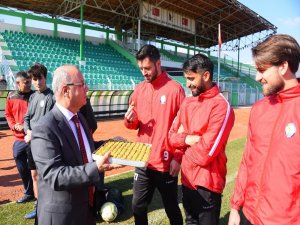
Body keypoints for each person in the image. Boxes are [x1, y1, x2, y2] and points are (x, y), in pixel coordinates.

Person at [31, 65, 120, 225]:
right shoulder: (44, 128)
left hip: (85, 209)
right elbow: (54, 175)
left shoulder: (79, 118)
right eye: (82, 84)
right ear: (66, 90)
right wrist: (95, 168)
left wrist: (110, 145)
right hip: (62, 217)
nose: (87, 88)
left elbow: (85, 149)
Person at [228, 34, 300, 225]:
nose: (257, 77)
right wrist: (236, 207)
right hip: (249, 215)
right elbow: (247, 161)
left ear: (283, 66)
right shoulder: (259, 108)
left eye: (262, 70)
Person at [168, 53, 235, 225]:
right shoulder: (187, 103)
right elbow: (170, 136)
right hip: (187, 180)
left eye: (191, 78)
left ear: (206, 75)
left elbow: (205, 154)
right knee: (190, 222)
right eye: (186, 79)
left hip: (208, 184)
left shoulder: (221, 107)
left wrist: (181, 144)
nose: (187, 84)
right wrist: (188, 139)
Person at [124, 44, 185, 225]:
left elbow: (184, 126)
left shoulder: (175, 89)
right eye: (141, 68)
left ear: (158, 63)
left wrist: (178, 157)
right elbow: (133, 125)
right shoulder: (139, 90)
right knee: (137, 206)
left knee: (171, 207)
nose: (144, 72)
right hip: (142, 160)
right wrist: (130, 120)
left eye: (148, 68)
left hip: (166, 163)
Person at [23, 63, 55, 219]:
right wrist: (27, 131)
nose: (36, 82)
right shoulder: (33, 96)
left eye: (39, 78)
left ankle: (49, 204)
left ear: (45, 77)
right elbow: (26, 118)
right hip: (31, 143)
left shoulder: (52, 97)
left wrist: (33, 134)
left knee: (46, 175)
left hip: (45, 144)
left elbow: (49, 123)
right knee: (34, 175)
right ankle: (38, 205)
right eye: (34, 79)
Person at [4, 71, 35, 204]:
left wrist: (29, 129)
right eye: (26, 82)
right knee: (19, 158)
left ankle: (41, 193)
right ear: (17, 83)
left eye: (29, 81)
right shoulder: (11, 96)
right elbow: (8, 114)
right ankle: (29, 192)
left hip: (34, 137)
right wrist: (13, 125)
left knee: (37, 167)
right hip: (19, 139)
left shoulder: (35, 96)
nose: (29, 84)